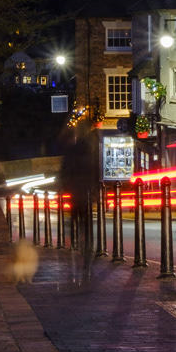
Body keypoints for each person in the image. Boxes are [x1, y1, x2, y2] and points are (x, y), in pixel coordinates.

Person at [56, 117, 101, 283]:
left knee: (76, 224)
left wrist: (63, 184)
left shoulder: (74, 148)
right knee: (86, 227)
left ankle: (78, 248)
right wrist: (96, 190)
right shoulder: (92, 148)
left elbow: (65, 169)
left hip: (76, 193)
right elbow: (97, 171)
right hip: (87, 193)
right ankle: (87, 254)